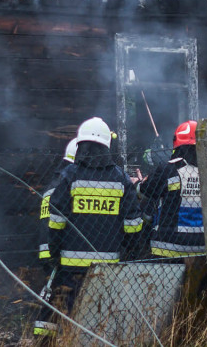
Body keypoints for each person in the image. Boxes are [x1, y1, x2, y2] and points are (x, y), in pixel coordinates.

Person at [34, 118, 145, 340]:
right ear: (106, 145)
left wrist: (55, 253)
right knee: (100, 317)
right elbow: (133, 223)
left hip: (70, 266)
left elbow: (56, 220)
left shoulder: (70, 175)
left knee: (66, 312)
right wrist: (131, 251)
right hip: (107, 267)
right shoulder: (120, 178)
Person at [138, 120, 204, 259]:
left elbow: (143, 191)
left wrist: (139, 182)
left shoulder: (168, 170)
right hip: (203, 247)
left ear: (177, 142)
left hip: (168, 248)